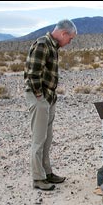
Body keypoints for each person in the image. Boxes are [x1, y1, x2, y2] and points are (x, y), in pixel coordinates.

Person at [24, 19, 77, 190]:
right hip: (40, 97)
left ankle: (47, 173)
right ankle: (38, 178)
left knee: (47, 138)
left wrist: (49, 97)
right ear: (63, 33)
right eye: (70, 38)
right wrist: (39, 96)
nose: (70, 42)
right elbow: (32, 74)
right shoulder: (42, 44)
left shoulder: (52, 46)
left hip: (48, 97)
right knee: (39, 140)